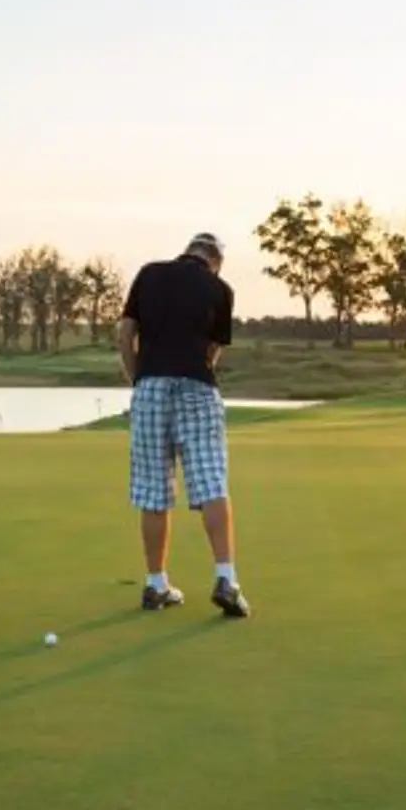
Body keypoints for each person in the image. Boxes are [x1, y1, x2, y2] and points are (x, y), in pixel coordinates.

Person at [115, 232, 250, 618]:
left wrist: (136, 377)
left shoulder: (149, 274)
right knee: (211, 483)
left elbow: (126, 332)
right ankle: (226, 579)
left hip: (151, 387)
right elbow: (212, 352)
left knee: (153, 489)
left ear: (189, 250)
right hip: (197, 387)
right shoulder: (220, 289)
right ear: (215, 260)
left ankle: (155, 584)